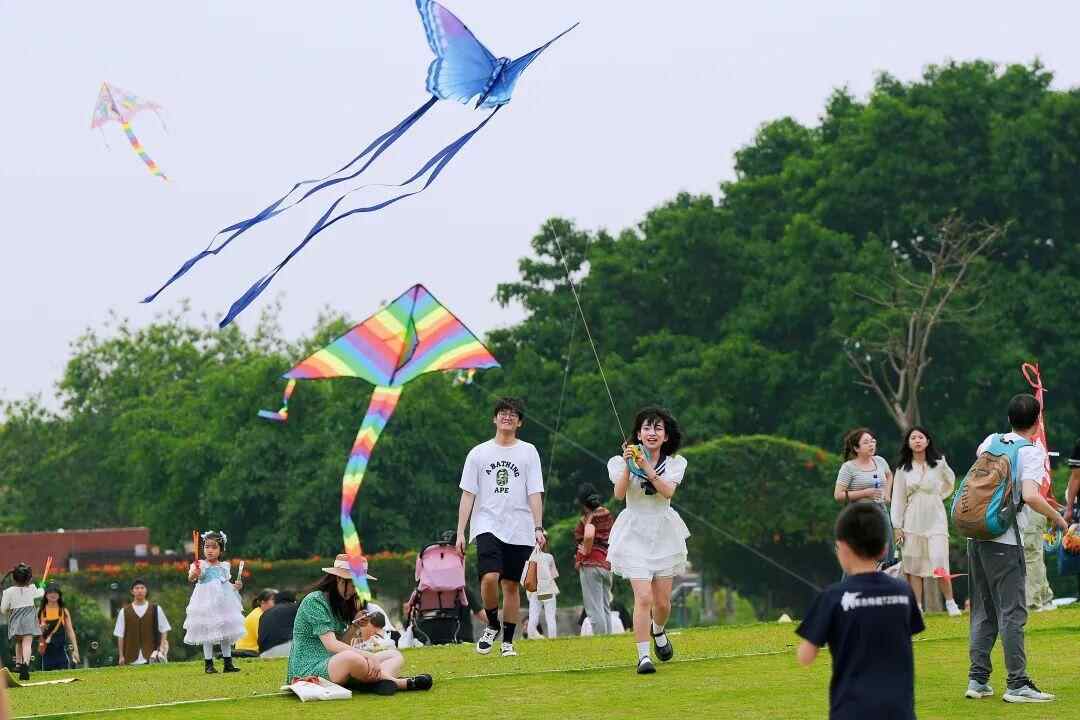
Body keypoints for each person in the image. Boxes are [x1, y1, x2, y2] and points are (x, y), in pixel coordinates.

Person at [963, 394, 1070, 703]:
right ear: (1037, 422)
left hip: (976, 534)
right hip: (1005, 539)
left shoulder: (990, 441)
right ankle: (1017, 684)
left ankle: (978, 680)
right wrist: (1059, 519)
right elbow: (1031, 495)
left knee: (983, 610)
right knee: (1013, 612)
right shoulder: (1032, 452)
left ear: (1009, 419)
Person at [796, 503, 924, 719]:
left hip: (851, 711)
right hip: (898, 710)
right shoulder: (903, 591)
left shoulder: (834, 596)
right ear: (884, 549)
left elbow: (805, 656)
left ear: (842, 548)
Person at [456, 397, 546, 657]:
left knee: (511, 586)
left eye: (513, 414)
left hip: (520, 526)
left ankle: (507, 642)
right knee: (489, 577)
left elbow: (535, 492)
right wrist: (461, 531)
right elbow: (468, 494)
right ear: (494, 419)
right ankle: (492, 624)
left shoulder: (528, 451)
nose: (507, 417)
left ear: (520, 422)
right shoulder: (478, 453)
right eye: (503, 413)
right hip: (487, 523)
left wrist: (538, 527)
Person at [607, 406, 689, 675]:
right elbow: (619, 495)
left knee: (662, 604)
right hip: (634, 533)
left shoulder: (675, 463)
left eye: (657, 428)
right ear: (638, 434)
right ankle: (643, 657)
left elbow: (667, 492)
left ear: (666, 436)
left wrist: (645, 466)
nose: (651, 433)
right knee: (643, 597)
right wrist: (628, 466)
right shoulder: (621, 462)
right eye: (646, 428)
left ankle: (659, 630)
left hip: (663, 534)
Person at [286, 554, 432, 695]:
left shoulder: (340, 603)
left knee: (394, 655)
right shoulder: (315, 601)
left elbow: (341, 643)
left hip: (333, 664)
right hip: (309, 669)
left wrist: (355, 626)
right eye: (354, 584)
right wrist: (369, 656)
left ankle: (375, 681)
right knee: (353, 658)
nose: (356, 590)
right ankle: (401, 683)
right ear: (339, 579)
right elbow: (331, 645)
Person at [890, 426, 961, 616]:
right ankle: (918, 607)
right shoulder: (902, 469)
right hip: (912, 519)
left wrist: (938, 496)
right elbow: (898, 499)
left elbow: (950, 481)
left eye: (920, 437)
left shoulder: (939, 463)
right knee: (914, 564)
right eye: (913, 438)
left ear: (927, 441)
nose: (917, 441)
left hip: (936, 518)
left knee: (939, 559)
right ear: (908, 443)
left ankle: (951, 603)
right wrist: (897, 526)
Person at [184, 530, 246, 674]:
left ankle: (228, 663)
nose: (210, 550)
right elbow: (191, 578)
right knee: (207, 632)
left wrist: (236, 586)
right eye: (207, 547)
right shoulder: (200, 564)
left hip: (224, 603)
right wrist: (195, 573)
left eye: (214, 547)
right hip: (206, 602)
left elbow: (226, 584)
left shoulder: (224, 566)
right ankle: (208, 664)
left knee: (226, 632)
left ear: (221, 550)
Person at [835, 428, 895, 563]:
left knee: (886, 551)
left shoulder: (880, 461)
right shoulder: (848, 467)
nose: (871, 445)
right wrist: (866, 493)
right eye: (866, 442)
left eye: (873, 441)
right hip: (860, 513)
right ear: (856, 448)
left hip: (881, 510)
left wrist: (887, 493)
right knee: (861, 554)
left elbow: (889, 475)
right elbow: (838, 495)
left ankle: (884, 576)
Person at [574, 483, 615, 635]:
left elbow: (589, 534)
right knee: (605, 606)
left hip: (591, 565)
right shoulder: (607, 514)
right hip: (606, 564)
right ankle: (608, 639)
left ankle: (601, 640)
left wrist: (585, 551)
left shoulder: (589, 518)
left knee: (594, 609)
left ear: (583, 503)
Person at [113, 578, 171, 666]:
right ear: (132, 591)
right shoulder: (124, 611)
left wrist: (162, 649)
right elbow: (120, 635)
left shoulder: (156, 609)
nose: (139, 590)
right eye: (137, 588)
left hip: (151, 657)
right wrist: (121, 656)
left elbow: (164, 630)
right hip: (130, 658)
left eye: (142, 588)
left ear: (146, 590)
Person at [1, 563, 43, 682]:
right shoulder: (32, 588)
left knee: (19, 642)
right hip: (29, 618)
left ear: (14, 577)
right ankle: (25, 664)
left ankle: (18, 664)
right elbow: (41, 594)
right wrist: (42, 588)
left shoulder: (8, 591)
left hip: (15, 619)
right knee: (27, 643)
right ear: (29, 578)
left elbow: (3, 609)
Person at [36, 582, 80, 670]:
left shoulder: (63, 611)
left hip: (61, 653)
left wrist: (76, 650)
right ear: (46, 595)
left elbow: (70, 631)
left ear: (59, 595)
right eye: (50, 592)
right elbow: (34, 632)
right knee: (48, 677)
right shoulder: (40, 611)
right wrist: (40, 628)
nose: (53, 594)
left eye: (56, 592)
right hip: (46, 653)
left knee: (64, 676)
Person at [523, 548, 559, 639]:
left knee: (533, 615)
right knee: (550, 616)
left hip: (534, 591)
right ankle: (552, 638)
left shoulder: (529, 557)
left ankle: (531, 636)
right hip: (547, 589)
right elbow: (554, 575)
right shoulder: (549, 557)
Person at [235, 589, 276, 657]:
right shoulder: (258, 616)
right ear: (263, 602)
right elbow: (264, 640)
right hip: (247, 651)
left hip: (250, 650)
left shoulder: (261, 614)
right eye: (273, 600)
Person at [258, 590, 298, 658]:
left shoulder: (264, 614)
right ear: (294, 601)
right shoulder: (295, 608)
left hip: (264, 653)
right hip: (287, 649)